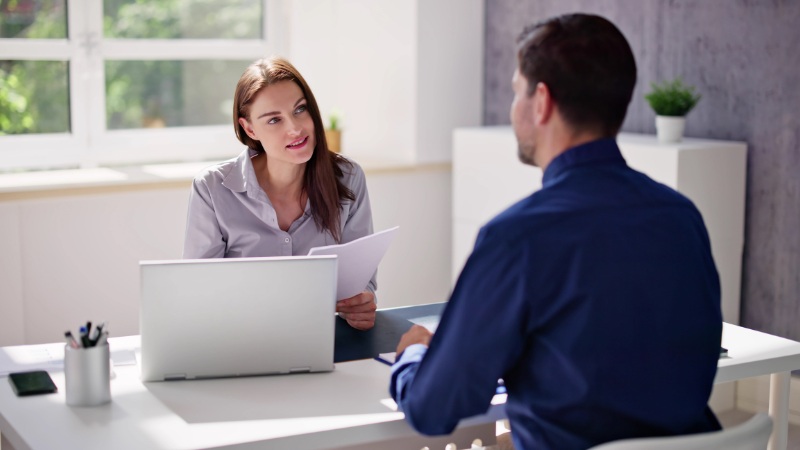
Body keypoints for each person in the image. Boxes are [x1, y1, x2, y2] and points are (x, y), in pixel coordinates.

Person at [389, 13, 722, 449]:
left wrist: (414, 354)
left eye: (515, 92)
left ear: (541, 101)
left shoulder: (515, 239)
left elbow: (434, 408)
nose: (513, 109)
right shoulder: (682, 217)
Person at [183, 57, 377, 331]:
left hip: (322, 338)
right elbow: (199, 293)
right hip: (239, 340)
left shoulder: (348, 177)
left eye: (300, 110)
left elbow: (361, 280)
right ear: (250, 128)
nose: (295, 129)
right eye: (274, 119)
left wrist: (360, 304)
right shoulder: (212, 189)